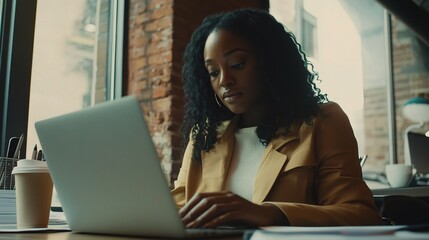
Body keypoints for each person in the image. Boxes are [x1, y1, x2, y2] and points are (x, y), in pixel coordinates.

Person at [172, 8, 381, 228]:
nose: (224, 80)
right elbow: (176, 210)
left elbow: (360, 215)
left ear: (270, 62)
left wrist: (272, 214)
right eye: (213, 72)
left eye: (237, 64)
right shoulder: (205, 135)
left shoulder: (322, 121)